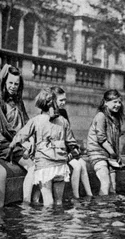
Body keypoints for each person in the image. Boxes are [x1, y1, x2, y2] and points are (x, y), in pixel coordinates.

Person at [9, 88, 79, 207]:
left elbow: (21, 135)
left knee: (48, 201)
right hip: (60, 166)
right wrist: (74, 151)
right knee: (58, 202)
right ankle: (58, 224)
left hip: (44, 166)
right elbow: (72, 143)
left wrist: (12, 146)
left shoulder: (36, 120)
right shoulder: (63, 121)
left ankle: (45, 225)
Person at [0, 64, 36, 207]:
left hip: (17, 143)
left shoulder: (18, 102)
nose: (13, 86)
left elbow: (27, 124)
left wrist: (31, 139)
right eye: (10, 83)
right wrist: (19, 143)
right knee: (32, 166)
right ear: (4, 82)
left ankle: (30, 202)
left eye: (16, 84)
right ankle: (26, 203)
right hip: (5, 144)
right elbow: (5, 131)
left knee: (38, 163)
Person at [51, 86, 93, 200]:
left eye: (65, 100)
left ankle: (89, 195)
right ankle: (76, 196)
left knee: (83, 164)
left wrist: (74, 149)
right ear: (52, 100)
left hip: (66, 148)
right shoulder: (48, 115)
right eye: (61, 100)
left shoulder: (63, 112)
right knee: (77, 166)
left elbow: (68, 135)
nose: (63, 103)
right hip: (57, 151)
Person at [87, 89, 125, 196]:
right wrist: (114, 154)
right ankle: (102, 209)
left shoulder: (115, 119)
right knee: (105, 183)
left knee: (113, 186)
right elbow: (101, 139)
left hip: (110, 156)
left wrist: (118, 156)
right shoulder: (101, 116)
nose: (118, 105)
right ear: (105, 102)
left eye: (119, 102)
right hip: (97, 154)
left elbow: (116, 140)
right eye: (114, 102)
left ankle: (111, 210)